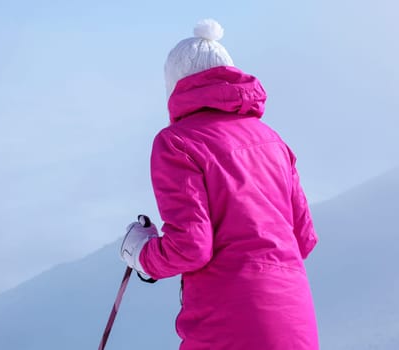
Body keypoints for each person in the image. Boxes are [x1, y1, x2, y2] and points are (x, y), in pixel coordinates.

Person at [120, 19, 319, 350]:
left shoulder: (178, 143)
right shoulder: (273, 142)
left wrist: (140, 253)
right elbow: (303, 239)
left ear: (175, 86)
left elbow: (190, 247)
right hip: (296, 325)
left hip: (228, 326)